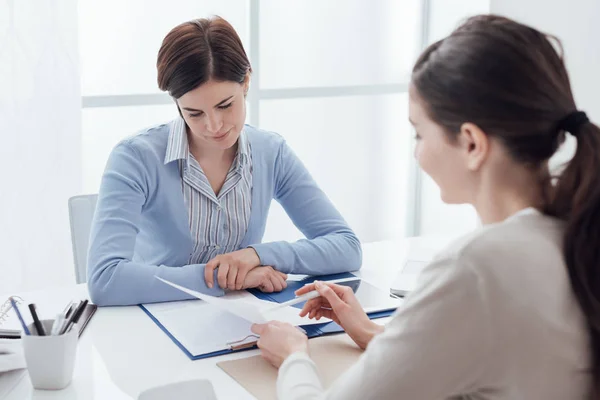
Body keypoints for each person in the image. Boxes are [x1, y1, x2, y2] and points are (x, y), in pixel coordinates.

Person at [251, 15, 598, 399]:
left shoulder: (478, 267)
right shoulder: (573, 230)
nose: (417, 152)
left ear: (471, 144)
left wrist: (293, 358)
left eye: (420, 132)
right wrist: (369, 332)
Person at [87, 16, 361, 306]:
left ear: (245, 82)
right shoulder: (135, 158)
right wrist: (223, 278)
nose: (214, 125)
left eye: (225, 105)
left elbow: (346, 246)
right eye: (194, 113)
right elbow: (105, 279)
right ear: (176, 103)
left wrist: (257, 255)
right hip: (157, 320)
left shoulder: (271, 152)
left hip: (240, 319)